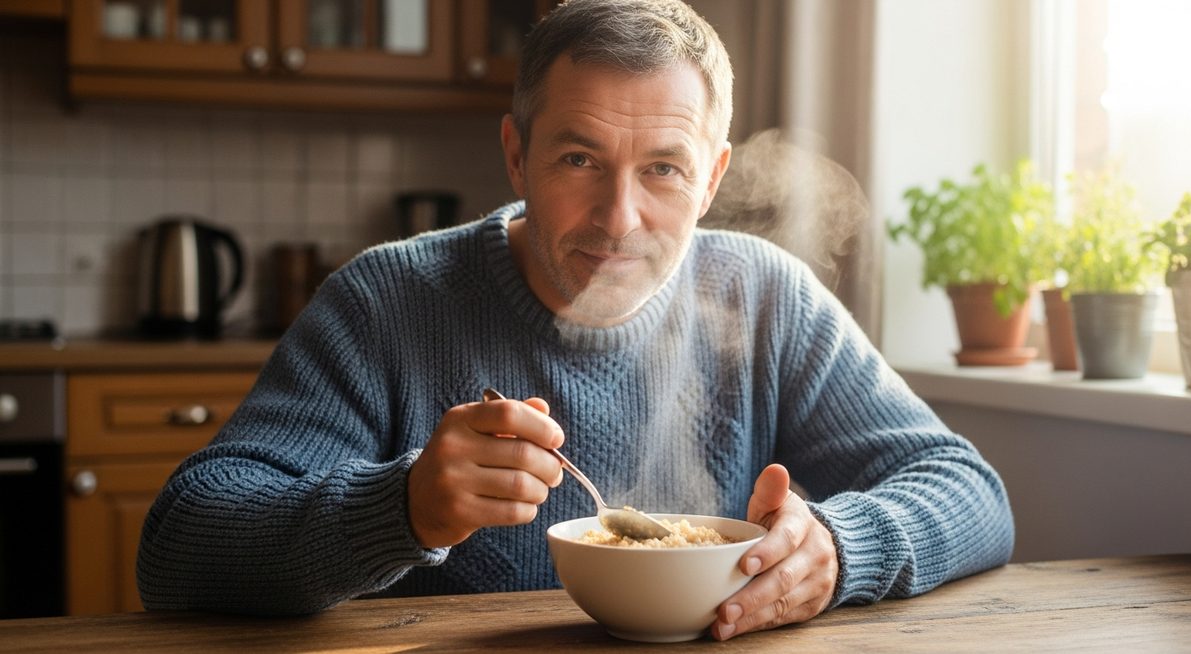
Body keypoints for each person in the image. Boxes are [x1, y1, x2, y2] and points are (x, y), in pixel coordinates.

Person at [137, 0, 1014, 641]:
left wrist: (838, 547)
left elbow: (969, 490)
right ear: (517, 154)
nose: (617, 219)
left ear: (712, 179)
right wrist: (403, 507)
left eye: (664, 170)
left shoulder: (764, 295)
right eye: (578, 158)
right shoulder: (388, 302)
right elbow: (180, 547)